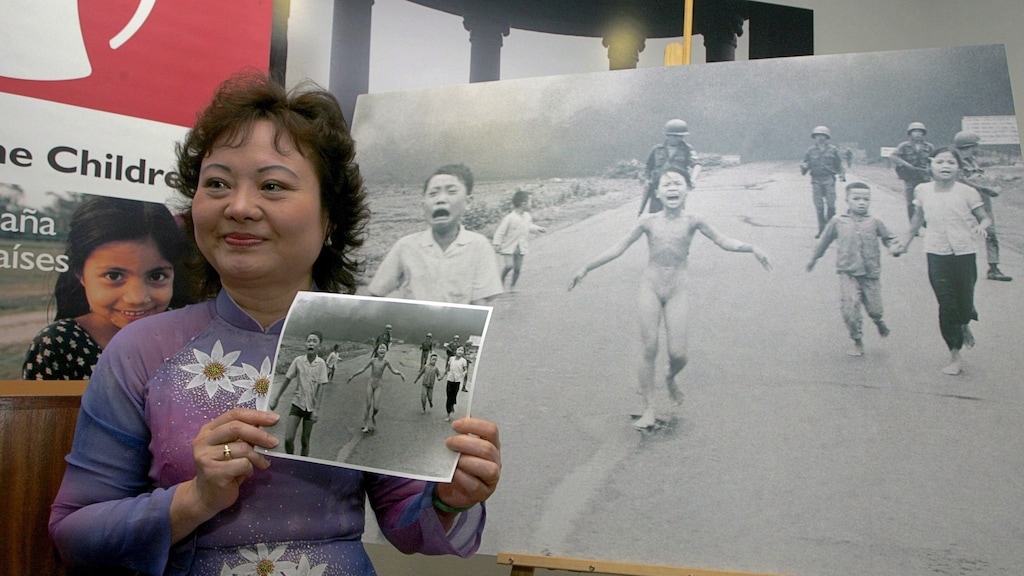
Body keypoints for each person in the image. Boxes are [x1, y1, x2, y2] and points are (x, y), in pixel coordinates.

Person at [49, 73, 501, 575]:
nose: (239, 207)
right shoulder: (142, 348)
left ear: (330, 217)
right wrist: (195, 499)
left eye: (272, 186)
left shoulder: (367, 335)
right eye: (217, 183)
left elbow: (408, 525)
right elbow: (75, 534)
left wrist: (451, 499)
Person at [569, 166, 772, 429]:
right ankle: (649, 408)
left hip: (678, 289)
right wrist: (586, 267)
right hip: (650, 287)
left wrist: (752, 248)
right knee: (649, 347)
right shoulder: (648, 222)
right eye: (666, 184)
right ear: (658, 192)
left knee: (679, 354)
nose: (673, 188)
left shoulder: (694, 220)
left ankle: (670, 377)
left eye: (678, 183)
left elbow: (723, 241)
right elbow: (618, 248)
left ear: (687, 190)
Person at [22, 195, 193, 380]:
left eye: (156, 276)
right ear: (80, 273)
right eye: (114, 276)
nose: (137, 298)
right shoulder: (59, 345)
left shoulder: (193, 335)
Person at [896, 148, 991, 376]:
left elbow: (985, 218)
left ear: (959, 167)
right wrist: (904, 243)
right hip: (936, 253)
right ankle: (955, 355)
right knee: (947, 305)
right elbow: (917, 220)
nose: (945, 166)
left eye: (951, 162)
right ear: (932, 165)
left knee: (964, 304)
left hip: (965, 253)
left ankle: (964, 321)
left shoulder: (968, 192)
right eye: (940, 162)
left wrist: (981, 227)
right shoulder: (922, 190)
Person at [367, 164, 503, 305]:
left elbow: (478, 307)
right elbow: (376, 293)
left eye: (451, 192)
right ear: (423, 204)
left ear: (468, 202)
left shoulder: (479, 246)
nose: (440, 200)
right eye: (433, 194)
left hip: (458, 326)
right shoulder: (405, 246)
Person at [807, 182, 900, 356]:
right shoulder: (838, 221)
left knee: (875, 308)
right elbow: (823, 242)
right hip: (847, 272)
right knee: (850, 308)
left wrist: (893, 248)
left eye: (866, 199)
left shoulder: (875, 222)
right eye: (856, 198)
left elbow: (890, 238)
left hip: (870, 273)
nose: (861, 202)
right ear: (847, 200)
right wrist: (813, 258)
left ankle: (878, 320)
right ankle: (857, 340)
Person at [953, 130, 1012, 282]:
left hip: (982, 201)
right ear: (969, 145)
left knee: (991, 232)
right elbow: (962, 182)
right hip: (964, 201)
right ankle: (958, 268)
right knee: (960, 233)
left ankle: (994, 268)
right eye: (975, 145)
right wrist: (987, 189)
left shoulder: (973, 161)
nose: (977, 148)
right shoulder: (955, 162)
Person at [268, 331, 330, 456]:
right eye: (309, 341)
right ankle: (290, 458)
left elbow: (321, 388)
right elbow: (287, 379)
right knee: (288, 439)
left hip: (310, 408)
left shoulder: (321, 364)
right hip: (297, 404)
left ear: (319, 345)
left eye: (314, 341)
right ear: (305, 344)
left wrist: (316, 410)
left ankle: (303, 462)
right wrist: (276, 397)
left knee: (305, 441)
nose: (311, 343)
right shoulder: (298, 361)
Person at [639, 118, 702, 216]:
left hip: (677, 187)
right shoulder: (657, 150)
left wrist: (693, 179)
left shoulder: (687, 149)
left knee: (676, 214)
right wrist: (646, 180)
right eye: (676, 136)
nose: (679, 139)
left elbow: (697, 165)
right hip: (658, 187)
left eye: (681, 136)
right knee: (655, 215)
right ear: (668, 135)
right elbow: (648, 167)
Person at [492, 189, 547, 290]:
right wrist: (496, 243)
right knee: (509, 266)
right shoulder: (510, 218)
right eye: (530, 202)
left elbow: (528, 226)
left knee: (517, 268)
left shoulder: (527, 216)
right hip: (509, 246)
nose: (532, 204)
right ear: (523, 204)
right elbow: (501, 231)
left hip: (521, 247)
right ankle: (500, 281)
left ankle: (512, 286)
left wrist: (538, 228)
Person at [347, 343, 405, 433]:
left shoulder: (386, 362)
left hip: (378, 385)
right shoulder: (373, 361)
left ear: (386, 351)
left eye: (384, 348)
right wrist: (353, 375)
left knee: (376, 407)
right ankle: (365, 425)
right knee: (368, 405)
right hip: (370, 383)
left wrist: (400, 373)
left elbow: (393, 370)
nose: (382, 349)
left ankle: (373, 416)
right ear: (377, 351)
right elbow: (363, 369)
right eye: (380, 348)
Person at [799, 125, 846, 238]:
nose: (820, 138)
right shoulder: (810, 151)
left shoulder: (833, 150)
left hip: (829, 179)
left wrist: (842, 174)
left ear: (827, 137)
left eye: (823, 135)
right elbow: (805, 167)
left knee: (831, 205)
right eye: (818, 135)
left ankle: (831, 228)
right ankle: (822, 230)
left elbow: (839, 164)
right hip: (816, 180)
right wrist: (803, 167)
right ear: (814, 137)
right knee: (819, 207)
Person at [890, 121, 935, 221]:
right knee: (910, 202)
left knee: (925, 200)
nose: (918, 133)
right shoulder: (904, 146)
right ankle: (913, 224)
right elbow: (893, 156)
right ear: (910, 134)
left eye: (920, 131)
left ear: (924, 134)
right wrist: (906, 165)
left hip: (924, 177)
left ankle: (925, 221)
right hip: (910, 177)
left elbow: (935, 159)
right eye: (915, 131)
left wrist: (931, 168)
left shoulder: (929, 147)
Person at [444, 345, 469, 423]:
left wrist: (463, 373)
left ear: (463, 352)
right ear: (456, 351)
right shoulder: (451, 359)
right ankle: (449, 409)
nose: (460, 351)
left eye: (462, 350)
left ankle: (449, 411)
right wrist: (442, 376)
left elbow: (466, 370)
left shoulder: (463, 361)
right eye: (459, 350)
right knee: (448, 396)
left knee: (453, 396)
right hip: (450, 379)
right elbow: (447, 368)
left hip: (457, 381)